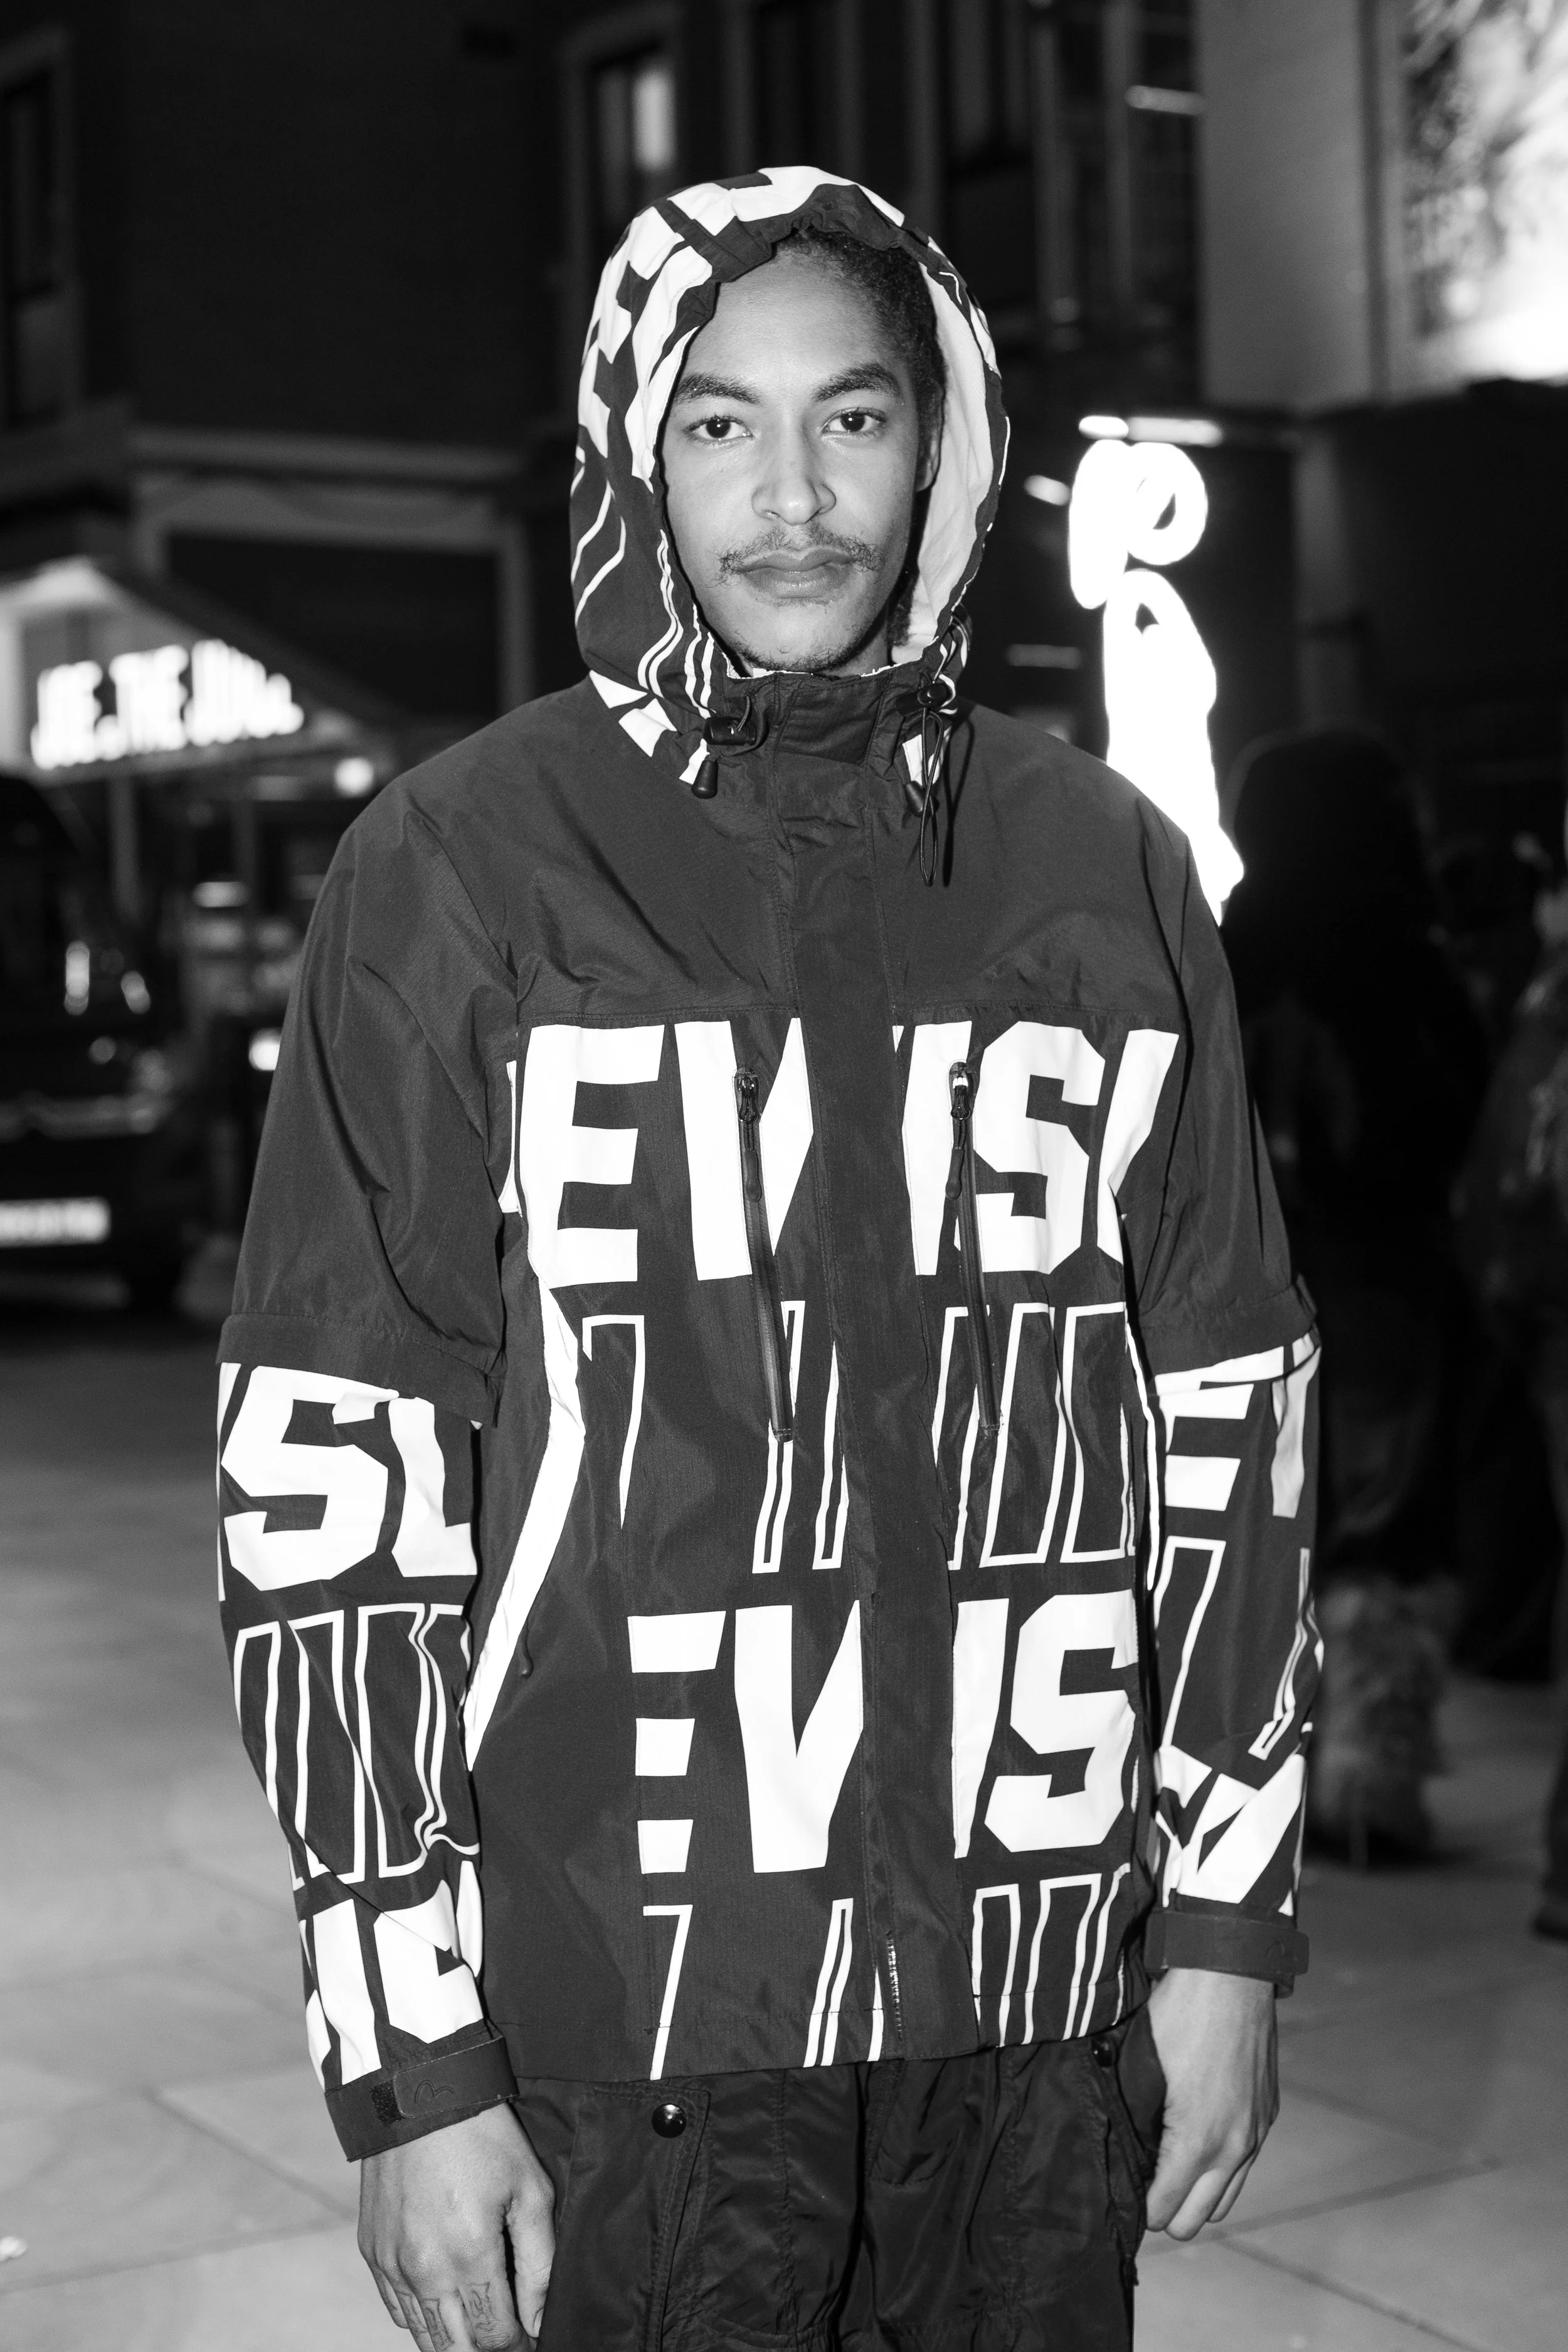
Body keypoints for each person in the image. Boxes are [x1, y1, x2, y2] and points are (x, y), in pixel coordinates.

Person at [218, 171, 1319, 2352]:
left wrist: (1223, 1929)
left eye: (856, 417)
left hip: (1034, 2007)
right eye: (721, 425)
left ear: (946, 443)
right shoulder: (456, 868)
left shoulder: (1097, 863)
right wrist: (410, 2061)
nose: (796, 498)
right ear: (637, 448)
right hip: (634, 2028)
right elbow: (328, 1473)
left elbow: (1232, 1415)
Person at [1222, 729, 1485, 1862]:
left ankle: (1243, 1778)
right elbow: (1452, 1104)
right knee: (1385, 1516)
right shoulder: (1400, 949)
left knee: (1250, 1519)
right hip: (1381, 1264)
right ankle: (1370, 1784)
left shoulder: (1237, 941)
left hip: (1241, 1266)